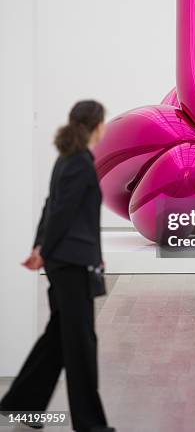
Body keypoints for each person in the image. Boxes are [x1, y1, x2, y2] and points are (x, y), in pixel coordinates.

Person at [0, 100, 115, 432]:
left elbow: (53, 207)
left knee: (58, 337)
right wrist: (44, 251)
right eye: (103, 122)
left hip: (70, 260)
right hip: (72, 264)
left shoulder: (66, 160)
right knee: (81, 345)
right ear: (96, 126)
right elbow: (61, 213)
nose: (105, 128)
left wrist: (41, 247)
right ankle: (90, 425)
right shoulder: (79, 163)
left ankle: (24, 403)